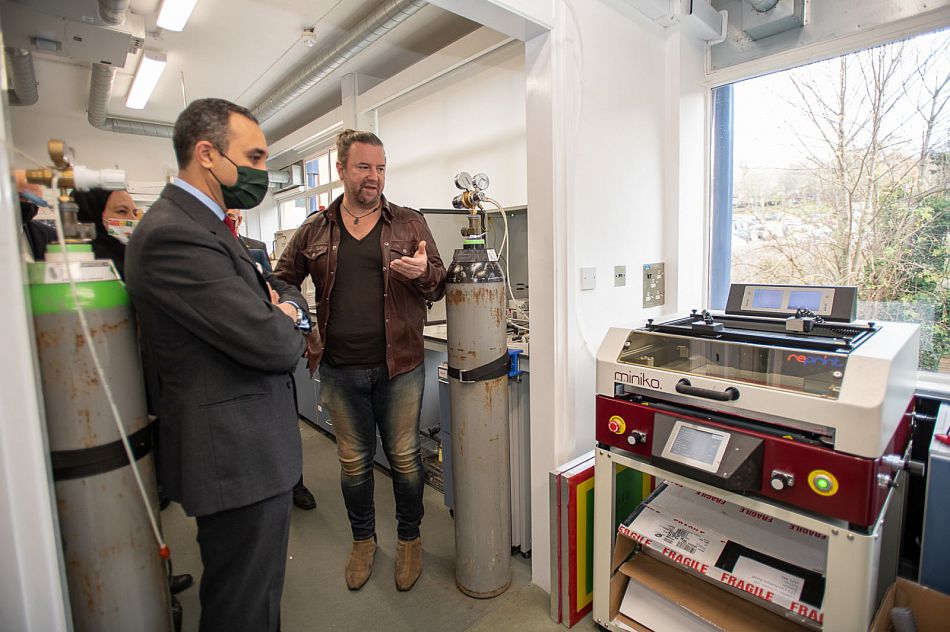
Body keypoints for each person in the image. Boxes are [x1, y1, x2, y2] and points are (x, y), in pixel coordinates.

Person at [125, 98, 310, 632]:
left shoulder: (210, 226)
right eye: (252, 157)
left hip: (249, 451)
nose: (260, 172)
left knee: (257, 596)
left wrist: (284, 307)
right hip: (234, 456)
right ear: (207, 153)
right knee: (242, 608)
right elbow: (274, 343)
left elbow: (273, 291)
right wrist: (289, 315)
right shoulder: (172, 235)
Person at [274, 129, 446, 592]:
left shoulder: (409, 223)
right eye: (364, 167)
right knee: (353, 463)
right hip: (338, 367)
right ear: (341, 170)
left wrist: (422, 273)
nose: (374, 177)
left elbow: (440, 283)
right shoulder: (314, 228)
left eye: (381, 167)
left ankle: (409, 540)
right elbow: (280, 279)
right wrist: (292, 310)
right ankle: (364, 540)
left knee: (407, 462)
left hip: (401, 367)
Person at [224, 207, 318, 511]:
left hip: (276, 366)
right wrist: (276, 313)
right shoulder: (200, 250)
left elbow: (285, 288)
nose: (232, 213)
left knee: (286, 427)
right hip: (240, 364)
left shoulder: (254, 248)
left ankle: (295, 483)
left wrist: (293, 313)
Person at [72, 188, 139, 278]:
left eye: (135, 213)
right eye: (122, 211)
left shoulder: (128, 253)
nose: (133, 219)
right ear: (95, 212)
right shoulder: (85, 259)